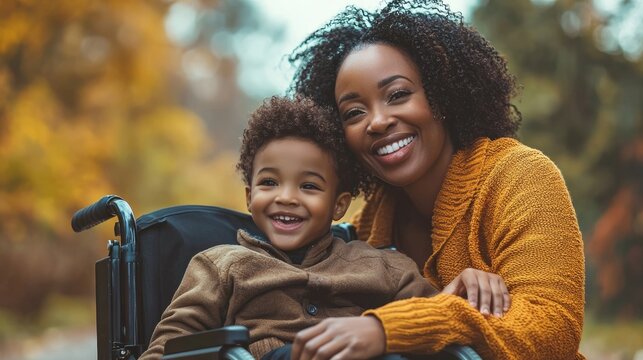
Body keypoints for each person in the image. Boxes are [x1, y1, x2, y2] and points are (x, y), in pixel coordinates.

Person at [287, 0, 586, 359]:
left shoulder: (520, 176)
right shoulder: (367, 226)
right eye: (354, 113)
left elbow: (554, 328)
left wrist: (392, 328)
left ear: (441, 96)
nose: (377, 122)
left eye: (397, 95)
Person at [138, 97, 509, 360]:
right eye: (269, 183)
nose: (286, 197)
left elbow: (435, 320)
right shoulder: (222, 265)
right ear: (250, 196)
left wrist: (465, 285)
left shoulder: (380, 264)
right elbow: (170, 347)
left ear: (339, 205)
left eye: (309, 186)